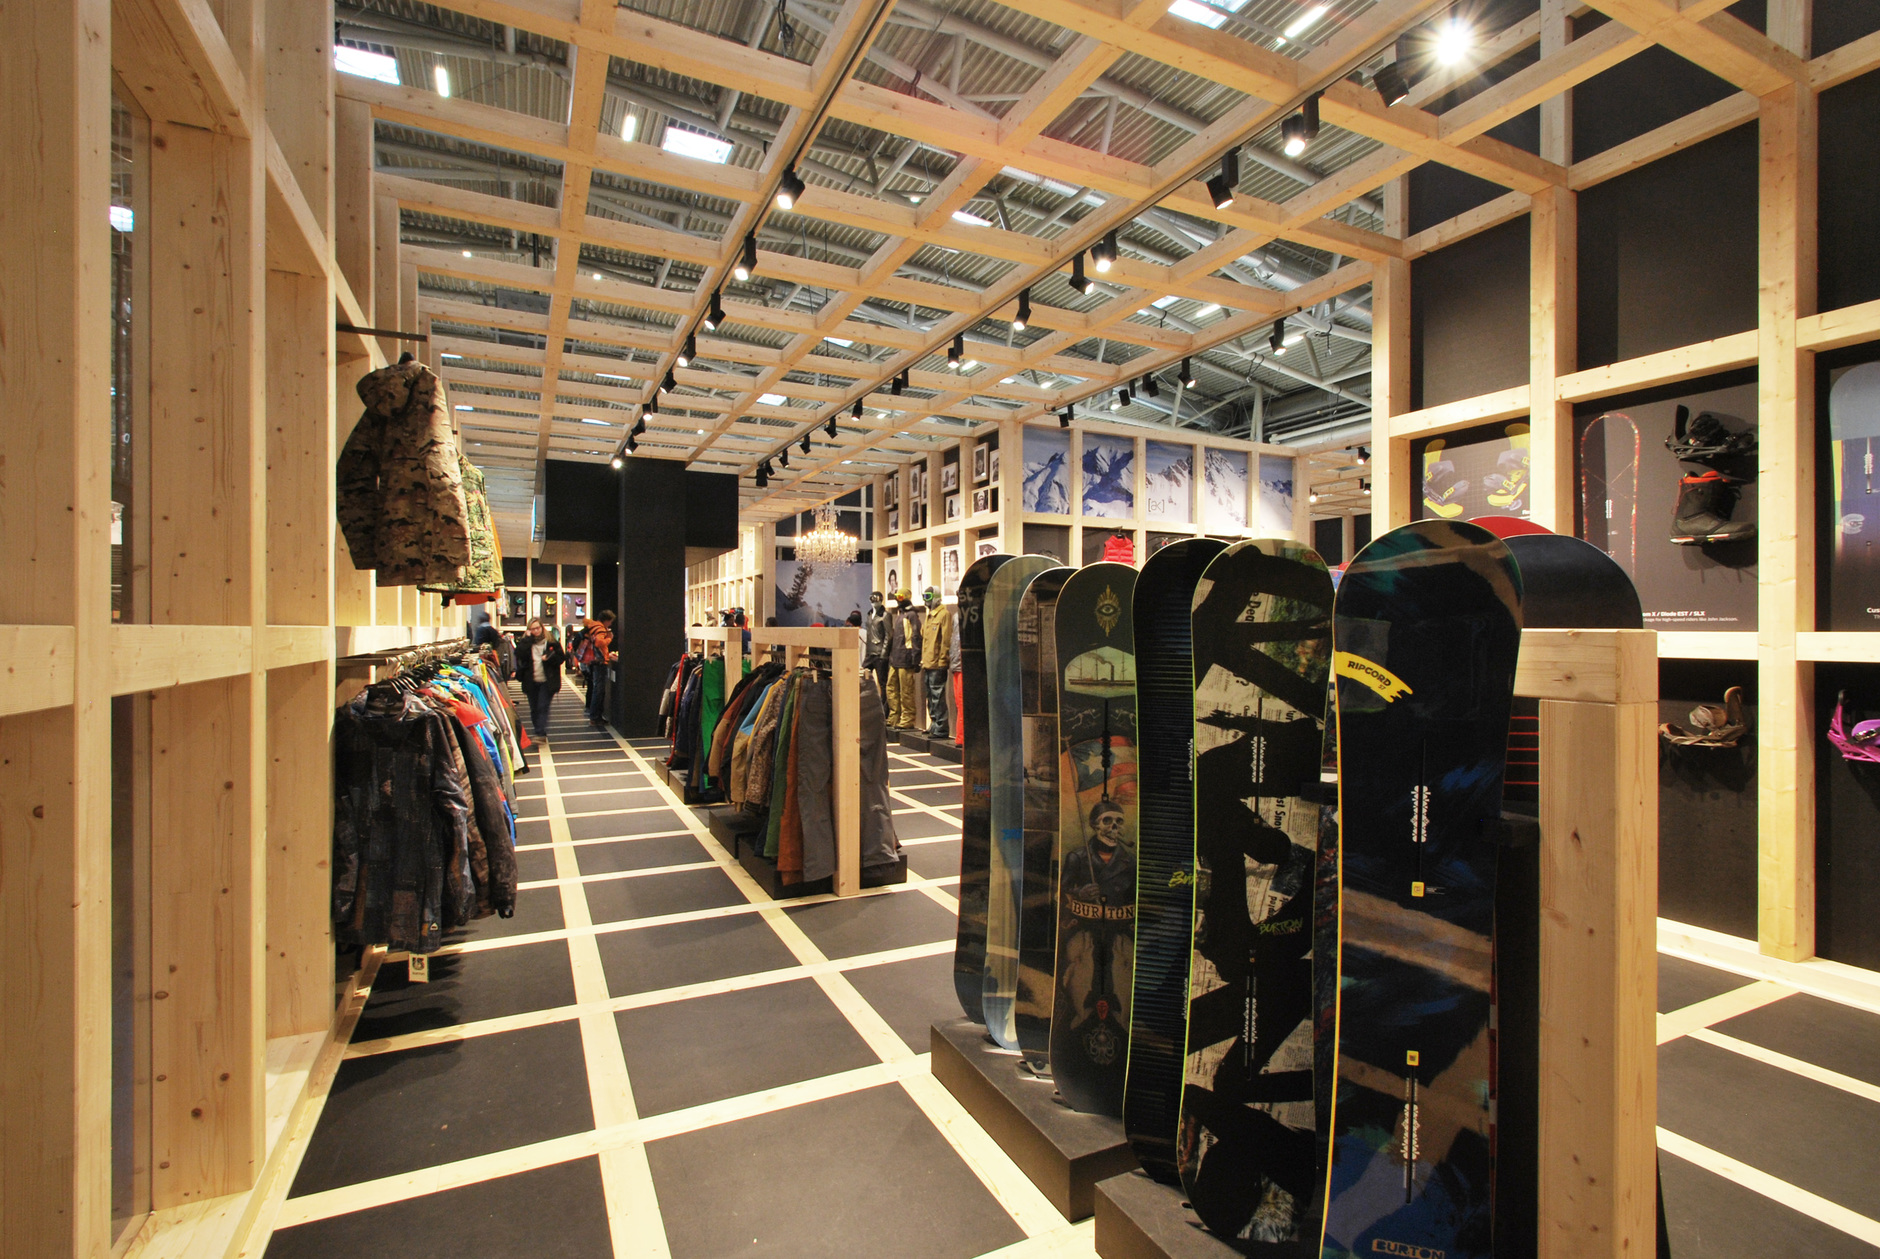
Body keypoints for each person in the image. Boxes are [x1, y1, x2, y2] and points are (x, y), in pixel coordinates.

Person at [516, 617, 565, 740]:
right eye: (532, 629)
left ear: (542, 627)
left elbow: (561, 658)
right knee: (534, 708)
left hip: (547, 681)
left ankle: (540, 733)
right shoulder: (527, 643)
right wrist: (527, 639)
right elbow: (519, 654)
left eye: (537, 628)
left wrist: (549, 658)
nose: (536, 631)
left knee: (542, 706)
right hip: (531, 681)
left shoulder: (551, 641)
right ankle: (538, 730)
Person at [574, 610, 617, 729]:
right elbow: (599, 643)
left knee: (596, 689)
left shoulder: (592, 626)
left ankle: (595, 716)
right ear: (606, 620)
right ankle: (595, 717)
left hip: (593, 661)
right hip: (599, 662)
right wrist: (609, 638)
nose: (610, 624)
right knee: (598, 690)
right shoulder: (600, 629)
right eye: (610, 622)